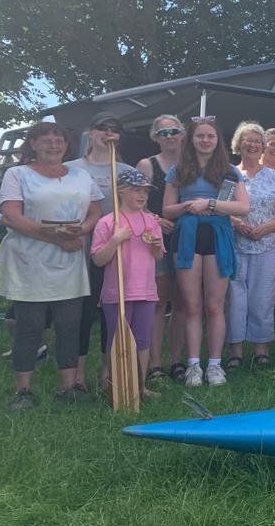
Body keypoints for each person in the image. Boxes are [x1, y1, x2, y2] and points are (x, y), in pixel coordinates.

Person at [0, 123, 103, 408]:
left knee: (69, 324)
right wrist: (56, 238)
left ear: (67, 145)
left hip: (70, 259)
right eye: (45, 139)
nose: (53, 144)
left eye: (59, 140)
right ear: (33, 143)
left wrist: (83, 230)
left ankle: (69, 388)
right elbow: (11, 216)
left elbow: (95, 210)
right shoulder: (18, 174)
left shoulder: (81, 175)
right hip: (29, 260)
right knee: (30, 325)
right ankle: (23, 391)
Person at [162, 118, 249, 387]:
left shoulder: (229, 171)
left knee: (214, 305)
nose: (205, 140)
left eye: (210, 136)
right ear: (191, 139)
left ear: (217, 140)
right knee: (191, 306)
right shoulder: (178, 171)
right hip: (187, 237)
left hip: (217, 237)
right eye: (200, 136)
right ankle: (193, 366)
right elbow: (167, 210)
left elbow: (243, 207)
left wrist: (209, 203)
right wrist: (190, 205)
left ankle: (214, 365)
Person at [66, 111, 136, 392]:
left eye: (114, 129)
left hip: (117, 250)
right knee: (83, 312)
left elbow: (137, 208)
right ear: (91, 132)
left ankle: (108, 372)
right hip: (81, 249)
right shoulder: (72, 168)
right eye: (102, 128)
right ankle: (78, 375)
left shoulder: (126, 170)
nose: (108, 133)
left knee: (113, 311)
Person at [91, 169, 166, 398]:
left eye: (145, 192)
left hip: (146, 290)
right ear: (121, 192)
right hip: (118, 292)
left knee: (142, 340)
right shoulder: (108, 222)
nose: (142, 195)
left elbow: (158, 257)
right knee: (117, 340)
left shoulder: (151, 221)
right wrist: (115, 240)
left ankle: (139, 386)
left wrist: (156, 247)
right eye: (136, 190)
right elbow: (98, 259)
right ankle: (115, 386)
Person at [225, 122, 275, 369]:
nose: (252, 145)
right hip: (236, 244)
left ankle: (261, 348)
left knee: (262, 297)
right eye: (248, 140)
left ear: (262, 146)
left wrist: (266, 228)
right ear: (238, 144)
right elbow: (220, 208)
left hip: (269, 245)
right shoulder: (229, 174)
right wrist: (236, 223)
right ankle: (235, 350)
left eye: (257, 141)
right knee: (235, 298)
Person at [135, 114, 186, 381]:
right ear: (155, 137)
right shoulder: (147, 165)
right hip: (156, 240)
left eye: (173, 131)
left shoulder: (193, 163)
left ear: (182, 134)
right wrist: (156, 220)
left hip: (186, 239)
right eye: (163, 133)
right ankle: (155, 364)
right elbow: (135, 202)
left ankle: (176, 360)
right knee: (158, 302)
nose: (169, 137)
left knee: (182, 302)